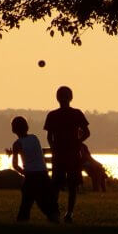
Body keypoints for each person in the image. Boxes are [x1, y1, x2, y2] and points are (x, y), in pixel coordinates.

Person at [44, 86, 90, 223]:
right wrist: (77, 142)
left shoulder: (52, 115)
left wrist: (54, 148)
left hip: (59, 154)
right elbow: (87, 132)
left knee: (56, 185)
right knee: (72, 185)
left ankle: (54, 212)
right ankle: (69, 213)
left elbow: (49, 137)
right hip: (72, 154)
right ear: (71, 97)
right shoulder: (77, 113)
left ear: (57, 98)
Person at [10, 116, 59, 222]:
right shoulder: (34, 138)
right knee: (45, 198)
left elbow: (15, 165)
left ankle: (23, 219)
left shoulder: (17, 144)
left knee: (26, 201)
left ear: (13, 129)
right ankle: (53, 216)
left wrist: (24, 173)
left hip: (31, 175)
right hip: (43, 173)